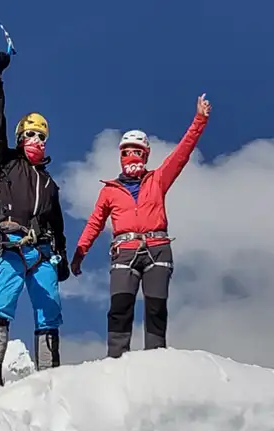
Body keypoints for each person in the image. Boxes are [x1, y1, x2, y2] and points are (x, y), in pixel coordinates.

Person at [70, 94, 211, 359]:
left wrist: (199, 119)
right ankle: (116, 362)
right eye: (126, 152)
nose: (131, 156)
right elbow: (95, 223)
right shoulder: (109, 191)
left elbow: (182, 153)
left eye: (137, 151)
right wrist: (80, 253)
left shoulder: (157, 179)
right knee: (119, 307)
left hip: (157, 248)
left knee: (156, 307)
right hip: (124, 250)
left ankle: (155, 360)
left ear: (145, 154)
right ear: (120, 156)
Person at [0, 50, 70, 393]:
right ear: (19, 138)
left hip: (42, 251)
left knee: (49, 314)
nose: (37, 141)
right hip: (8, 245)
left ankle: (50, 381)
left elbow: (57, 224)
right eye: (31, 135)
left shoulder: (49, 183)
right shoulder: (5, 162)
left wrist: (64, 259)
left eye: (42, 137)